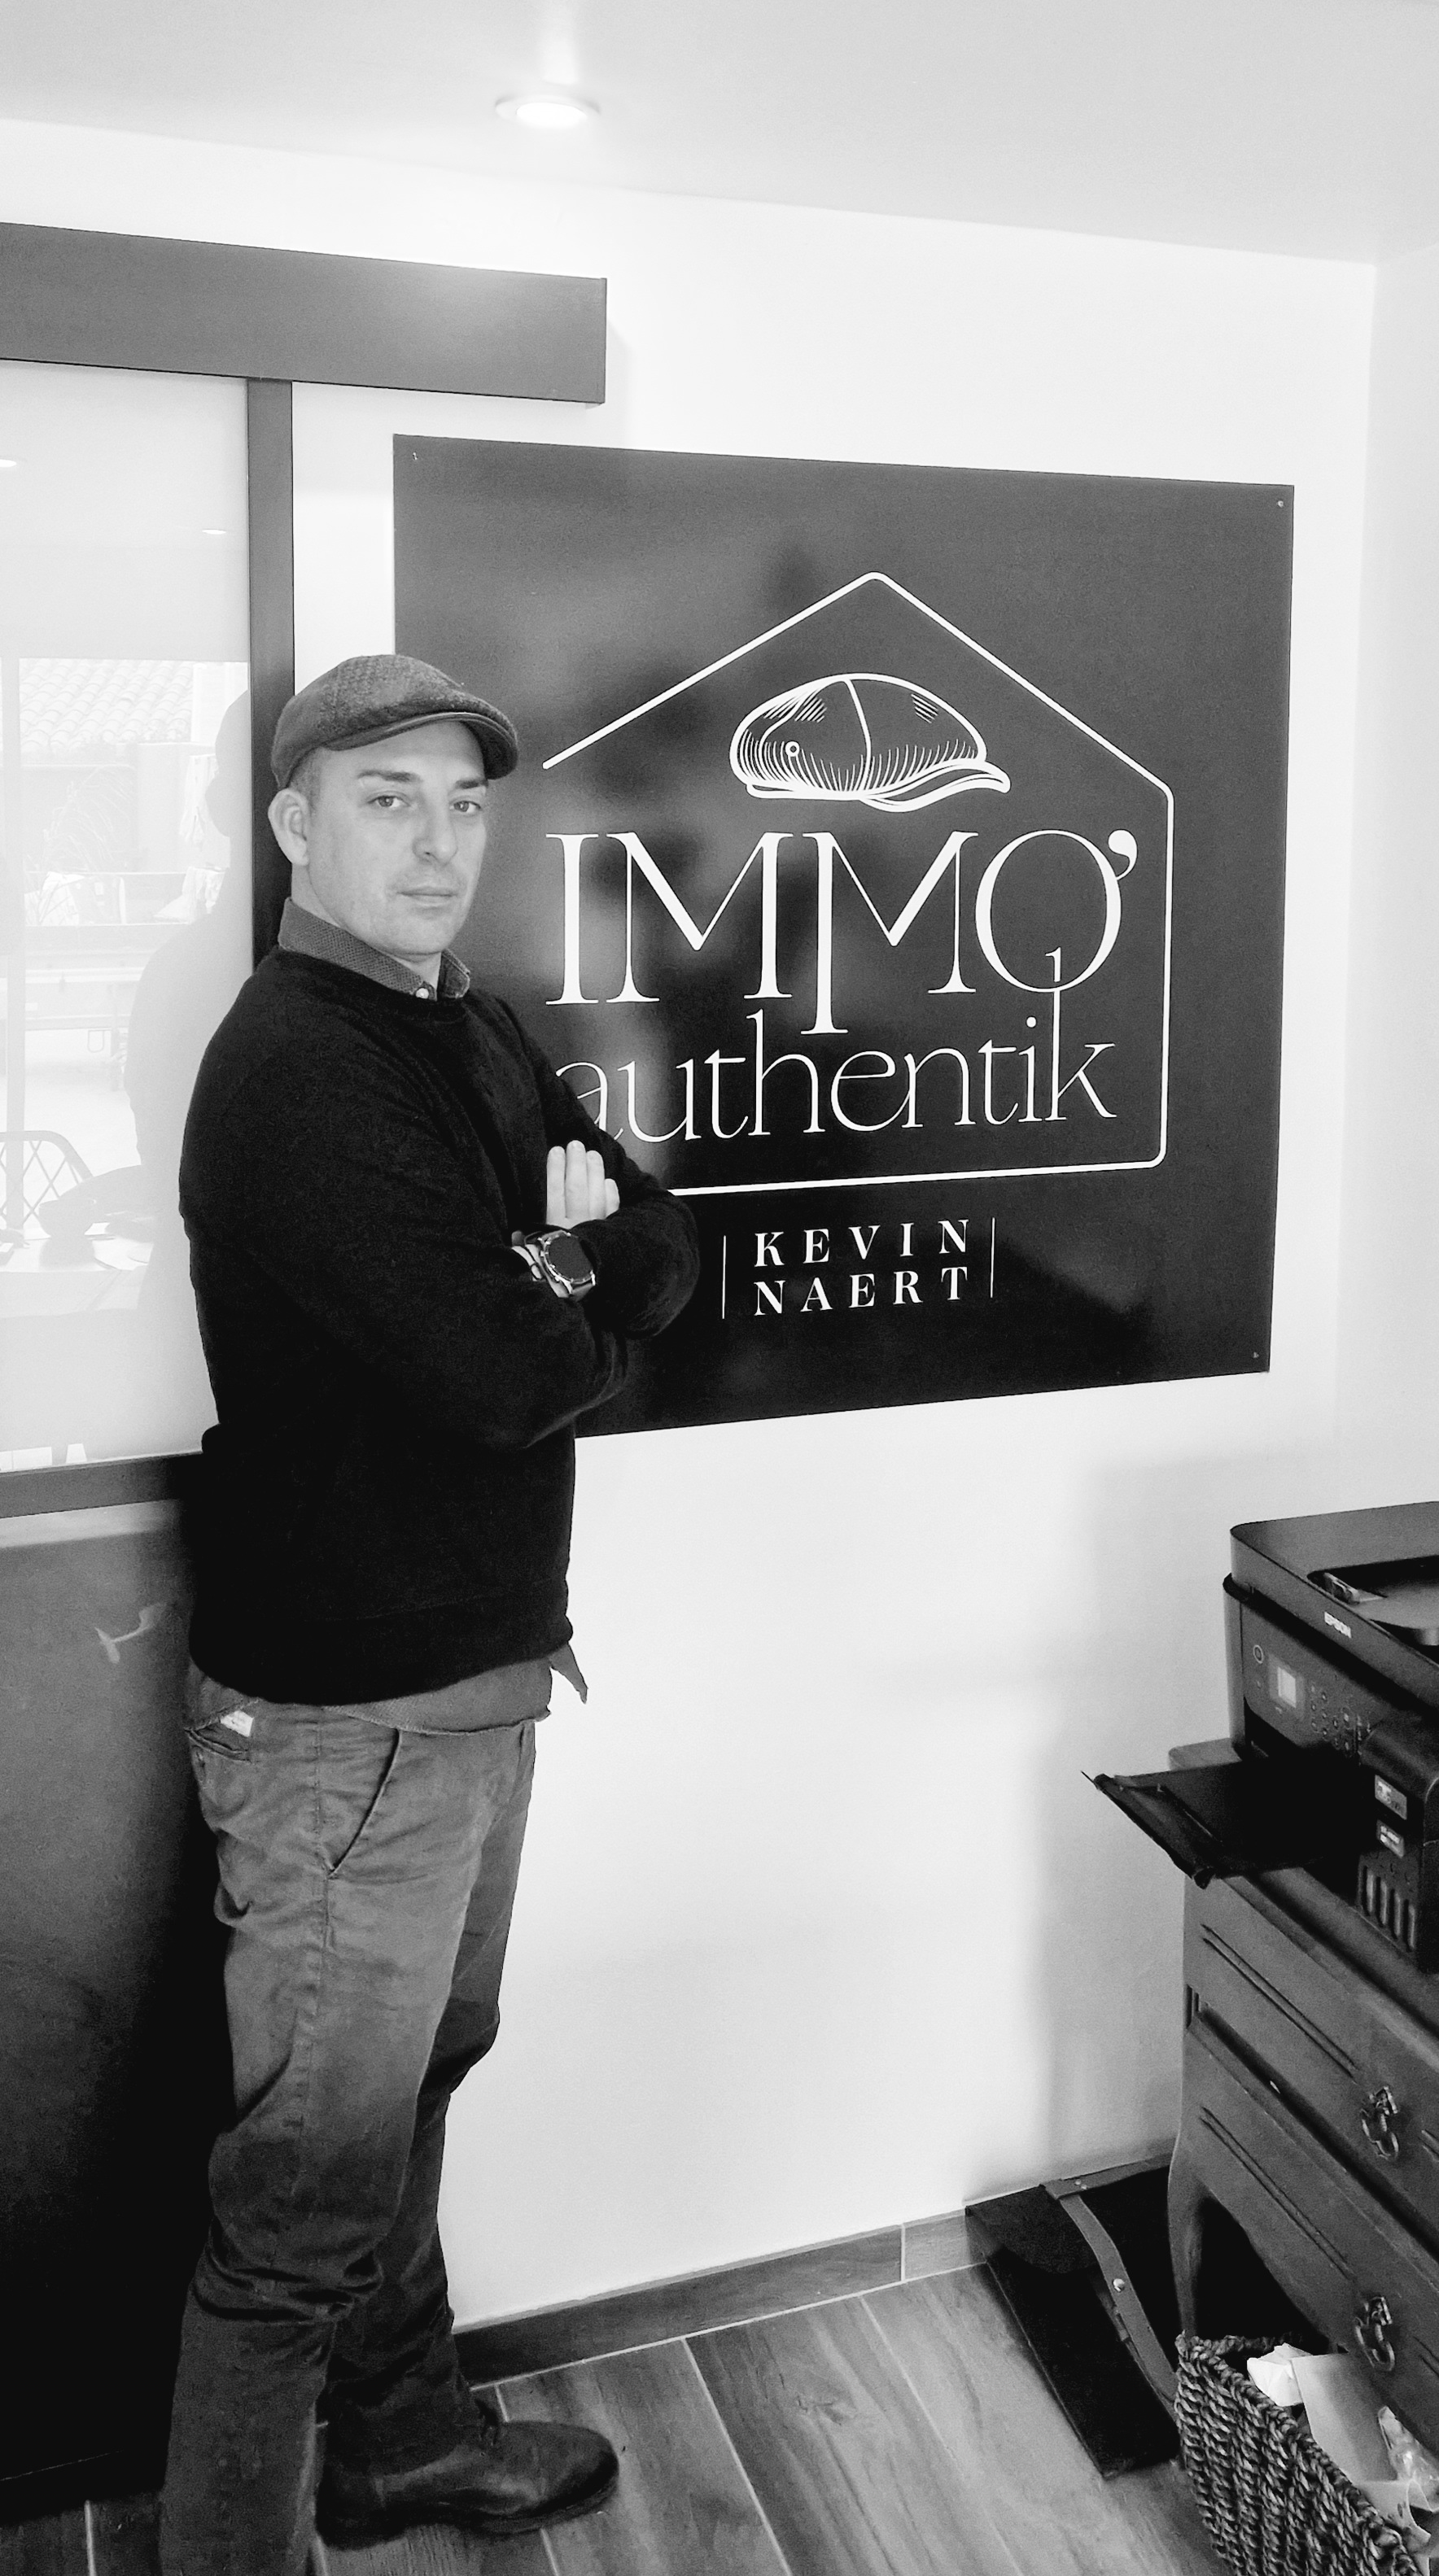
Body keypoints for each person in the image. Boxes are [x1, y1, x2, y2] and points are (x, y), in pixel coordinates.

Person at [158, 652, 699, 2576]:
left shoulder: (469, 1019)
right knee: (301, 2203)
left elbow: (664, 1236)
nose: (440, 839)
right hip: (349, 1729)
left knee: (410, 2096)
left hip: (472, 1682)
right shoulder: (302, 1064)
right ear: (294, 822)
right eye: (388, 796)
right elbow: (500, 1370)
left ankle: (393, 2446)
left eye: (464, 801)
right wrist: (564, 1264)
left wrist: (564, 1259)